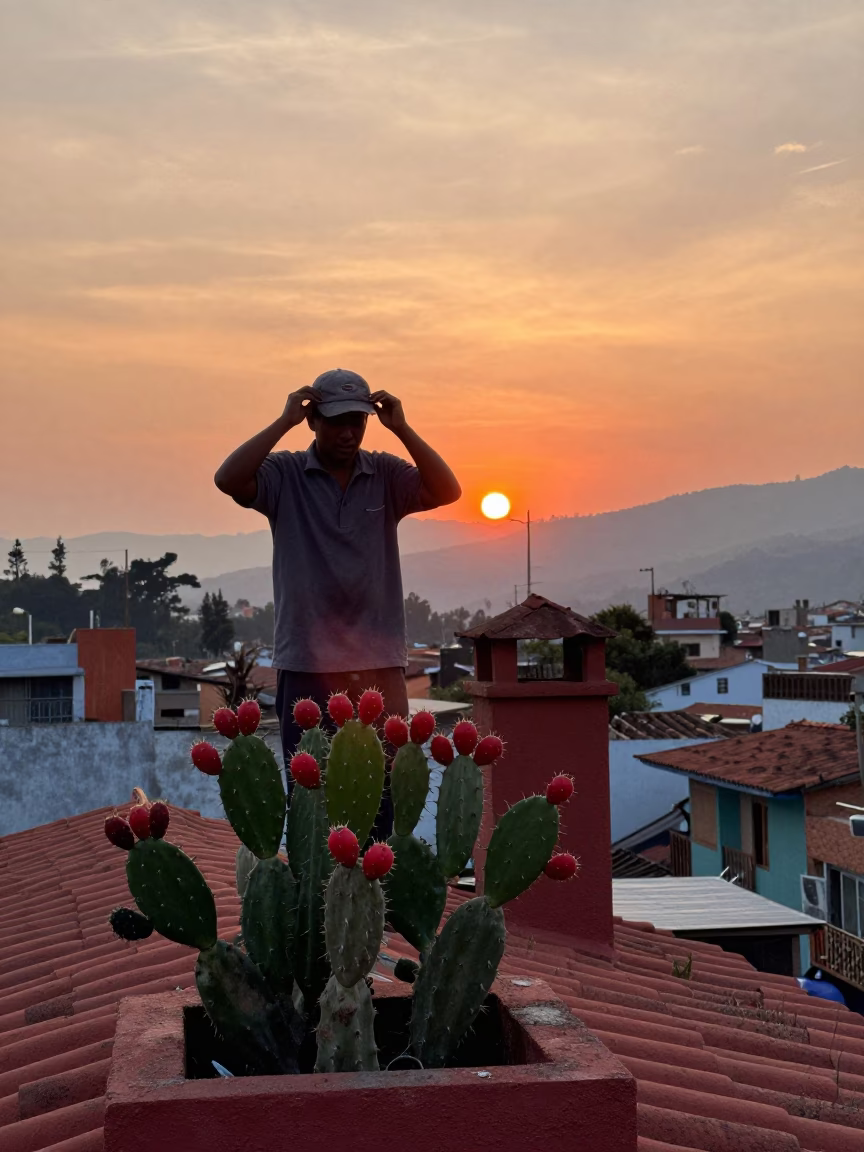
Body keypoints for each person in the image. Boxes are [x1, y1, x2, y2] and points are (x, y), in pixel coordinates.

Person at [214, 368, 461, 783]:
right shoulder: (285, 474)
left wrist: (402, 428)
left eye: (357, 421)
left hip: (379, 664)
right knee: (311, 791)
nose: (349, 433)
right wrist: (282, 422)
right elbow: (228, 479)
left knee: (383, 792)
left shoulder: (385, 474)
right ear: (313, 420)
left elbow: (448, 490)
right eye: (337, 421)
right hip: (308, 665)